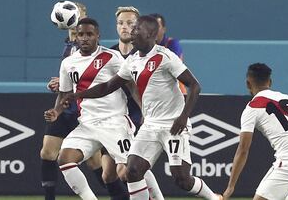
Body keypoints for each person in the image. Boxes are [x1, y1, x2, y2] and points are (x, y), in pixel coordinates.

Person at [60, 15, 222, 200]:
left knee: (182, 180)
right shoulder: (132, 60)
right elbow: (108, 86)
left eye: (137, 29)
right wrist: (79, 94)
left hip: (173, 125)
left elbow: (195, 86)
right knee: (132, 171)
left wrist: (183, 116)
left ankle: (214, 198)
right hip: (150, 126)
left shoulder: (165, 56)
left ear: (151, 33)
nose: (132, 32)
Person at [222, 63, 288, 200]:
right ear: (270, 82)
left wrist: (230, 187)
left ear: (247, 84)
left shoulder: (252, 107)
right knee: (277, 194)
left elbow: (243, 149)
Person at [40, 3, 104, 200]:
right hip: (65, 109)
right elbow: (68, 77)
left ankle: (123, 192)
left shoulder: (92, 48)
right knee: (48, 153)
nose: (75, 18)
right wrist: (57, 84)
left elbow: (94, 78)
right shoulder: (68, 47)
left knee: (97, 166)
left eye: (79, 14)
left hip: (84, 113)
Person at [110, 6, 165, 200]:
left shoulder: (146, 54)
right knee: (110, 173)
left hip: (137, 117)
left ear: (138, 27)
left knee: (129, 167)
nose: (125, 27)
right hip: (112, 119)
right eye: (120, 23)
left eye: (130, 23)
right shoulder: (108, 55)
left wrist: (146, 111)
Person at [149, 13, 186, 94]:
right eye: (151, 27)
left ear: (164, 29)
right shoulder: (142, 48)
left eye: (157, 27)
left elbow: (169, 67)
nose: (153, 31)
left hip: (176, 95)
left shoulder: (172, 44)